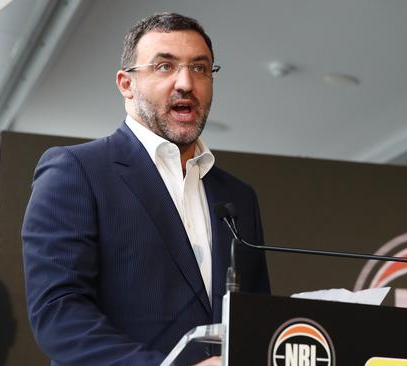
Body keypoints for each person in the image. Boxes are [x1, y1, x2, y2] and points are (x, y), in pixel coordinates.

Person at [22, 13, 270, 366]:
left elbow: (256, 316)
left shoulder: (238, 197)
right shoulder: (76, 171)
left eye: (200, 68)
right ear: (127, 84)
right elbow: (58, 314)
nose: (186, 82)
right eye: (165, 67)